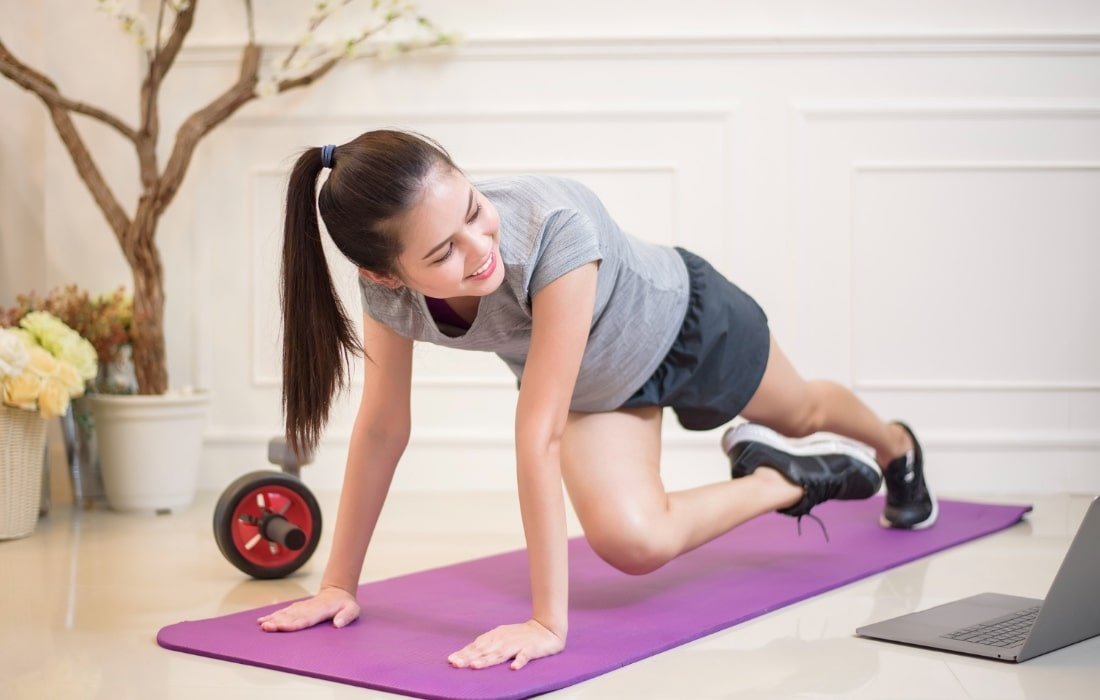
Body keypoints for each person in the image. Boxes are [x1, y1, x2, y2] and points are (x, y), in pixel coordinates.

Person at [257, 129, 936, 671]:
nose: (479, 247)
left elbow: (539, 435)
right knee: (633, 543)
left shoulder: (554, 227)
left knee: (802, 412)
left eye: (473, 210)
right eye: (443, 254)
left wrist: (546, 622)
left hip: (688, 324)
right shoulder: (387, 296)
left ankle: (896, 447)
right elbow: (382, 426)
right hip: (599, 390)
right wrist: (338, 585)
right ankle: (786, 478)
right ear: (385, 275)